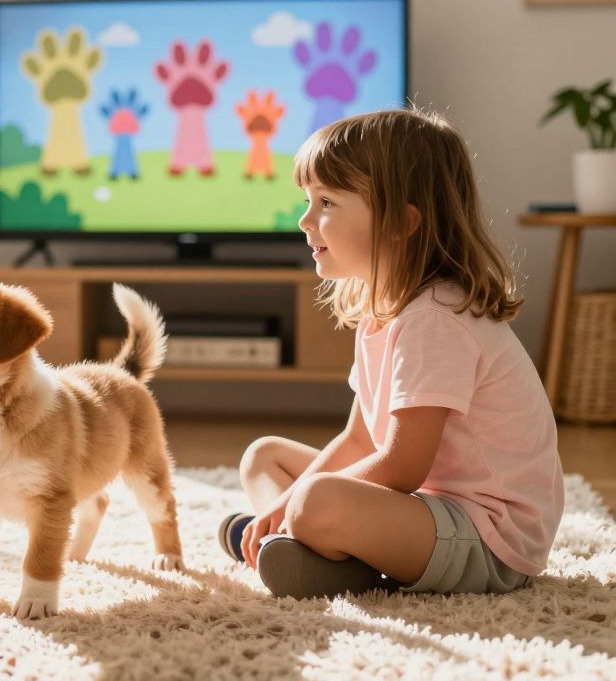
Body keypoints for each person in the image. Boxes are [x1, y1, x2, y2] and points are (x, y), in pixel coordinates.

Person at [218, 108, 563, 599]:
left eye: (327, 203)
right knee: (264, 456)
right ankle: (296, 544)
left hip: (489, 538)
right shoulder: (386, 310)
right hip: (426, 510)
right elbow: (360, 438)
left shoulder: (434, 320)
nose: (305, 219)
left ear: (402, 221)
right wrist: (291, 502)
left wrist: (295, 502)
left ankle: (316, 551)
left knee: (316, 499)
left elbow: (402, 466)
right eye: (308, 200)